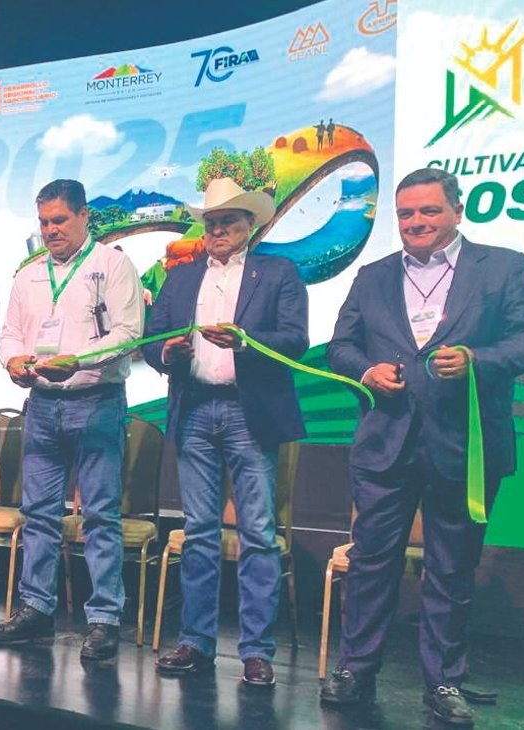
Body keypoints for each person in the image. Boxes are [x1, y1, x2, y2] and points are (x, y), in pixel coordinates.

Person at [320, 168, 524, 726]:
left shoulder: (503, 267)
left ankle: (444, 681)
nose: (416, 222)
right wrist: (365, 371)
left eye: (429, 210)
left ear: (457, 210)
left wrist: (478, 360)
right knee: (371, 563)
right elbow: (340, 346)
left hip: (465, 447)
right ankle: (355, 669)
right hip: (385, 445)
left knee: (451, 569)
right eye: (406, 213)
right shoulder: (373, 276)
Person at [141, 178, 308, 686]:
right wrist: (166, 353)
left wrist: (245, 341)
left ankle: (256, 651)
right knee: (199, 533)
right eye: (211, 222)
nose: (216, 230)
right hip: (194, 409)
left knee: (257, 532)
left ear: (249, 225)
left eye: (228, 221)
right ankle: (196, 642)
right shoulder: (180, 279)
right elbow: (152, 340)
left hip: (248, 413)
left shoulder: (278, 273)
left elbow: (295, 340)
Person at [0, 179, 144, 660]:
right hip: (41, 403)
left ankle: (103, 619)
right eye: (44, 222)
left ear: (83, 216)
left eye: (59, 220)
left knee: (99, 515)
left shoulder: (113, 264)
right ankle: (36, 607)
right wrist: (13, 361)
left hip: (96, 400)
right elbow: (10, 334)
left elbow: (129, 334)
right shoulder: (29, 274)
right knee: (38, 512)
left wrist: (78, 360)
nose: (51, 230)